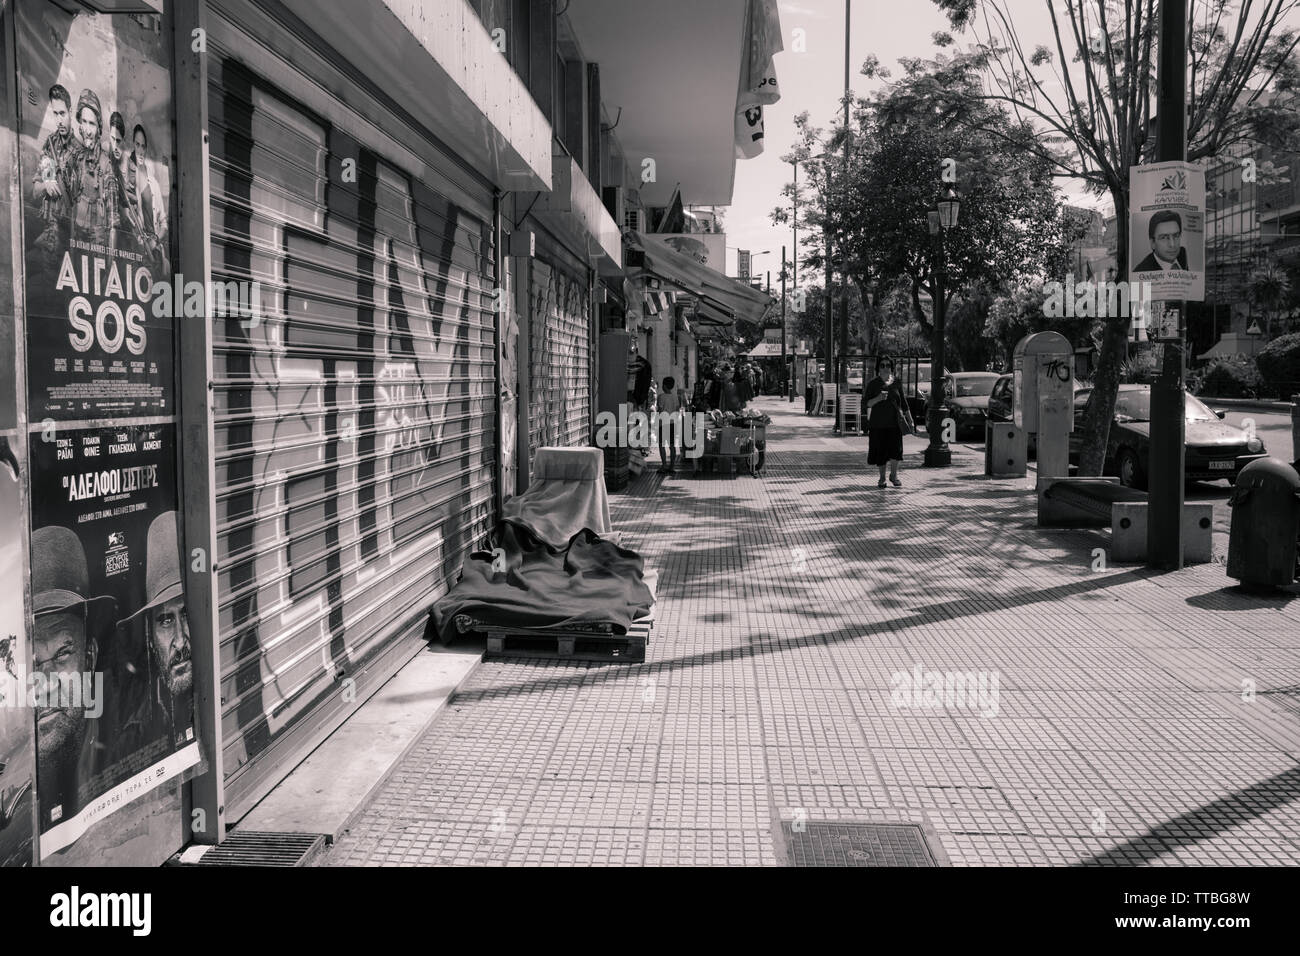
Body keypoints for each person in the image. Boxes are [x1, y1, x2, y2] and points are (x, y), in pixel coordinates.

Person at [31, 526, 116, 828]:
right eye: (33, 662)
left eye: (61, 654)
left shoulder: (120, 739)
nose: (43, 682)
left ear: (89, 657)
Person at [116, 511, 193, 755]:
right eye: (166, 621)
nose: (180, 642)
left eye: (186, 615)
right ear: (149, 637)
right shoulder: (135, 735)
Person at [66, 89, 120, 250]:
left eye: (92, 124)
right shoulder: (76, 158)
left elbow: (113, 222)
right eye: (84, 122)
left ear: (98, 128)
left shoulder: (105, 164)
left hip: (98, 243)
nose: (88, 130)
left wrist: (111, 263)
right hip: (77, 238)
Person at [864, 356, 912, 488]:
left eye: (888, 365)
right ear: (878, 368)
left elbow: (903, 402)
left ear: (892, 368)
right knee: (881, 452)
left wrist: (910, 419)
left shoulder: (896, 382)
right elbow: (866, 403)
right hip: (878, 424)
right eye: (882, 365)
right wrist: (878, 398)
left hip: (895, 423)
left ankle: (894, 476)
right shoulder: (873, 384)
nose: (885, 368)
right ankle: (882, 478)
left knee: (896, 451)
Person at [656, 377, 683, 475]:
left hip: (663, 423)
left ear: (664, 386)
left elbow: (659, 411)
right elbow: (677, 410)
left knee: (661, 445)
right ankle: (672, 467)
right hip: (673, 423)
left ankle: (664, 466)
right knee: (672, 445)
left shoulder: (661, 397)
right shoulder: (675, 397)